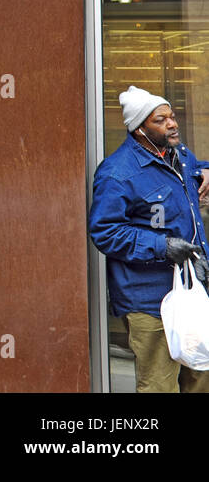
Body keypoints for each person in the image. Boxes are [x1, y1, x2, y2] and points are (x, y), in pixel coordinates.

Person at [89, 85, 209, 393]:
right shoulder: (116, 174)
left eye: (172, 116)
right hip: (148, 301)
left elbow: (193, 172)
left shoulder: (179, 155)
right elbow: (105, 232)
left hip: (192, 294)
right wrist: (163, 247)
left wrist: (206, 170)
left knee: (200, 376)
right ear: (140, 128)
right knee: (159, 386)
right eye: (161, 119)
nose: (172, 123)